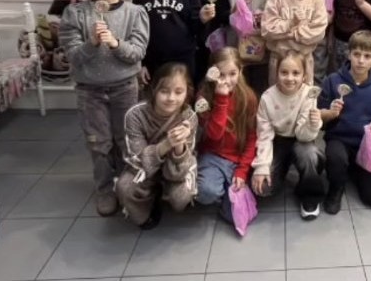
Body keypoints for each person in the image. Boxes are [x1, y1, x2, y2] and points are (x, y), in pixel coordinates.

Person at [59, 0, 149, 216]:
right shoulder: (75, 14)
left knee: (126, 139)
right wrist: (92, 43)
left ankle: (126, 185)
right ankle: (104, 189)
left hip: (125, 87)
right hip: (90, 91)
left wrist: (115, 43)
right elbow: (73, 57)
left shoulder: (135, 13)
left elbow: (137, 53)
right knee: (98, 143)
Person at [318, 30, 371, 213]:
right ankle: (336, 187)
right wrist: (331, 113)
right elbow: (320, 114)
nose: (361, 60)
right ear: (348, 54)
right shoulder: (332, 81)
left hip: (364, 143)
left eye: (367, 56)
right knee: (336, 157)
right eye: (356, 54)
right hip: (339, 139)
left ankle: (356, 168)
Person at [116, 63, 198, 229]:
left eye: (178, 92)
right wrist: (167, 144)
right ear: (154, 90)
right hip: (142, 168)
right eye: (164, 91)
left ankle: (163, 190)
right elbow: (137, 158)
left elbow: (182, 168)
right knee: (125, 187)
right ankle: (146, 209)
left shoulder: (189, 117)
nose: (171, 98)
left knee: (181, 197)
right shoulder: (135, 115)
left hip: (174, 167)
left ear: (187, 92)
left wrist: (179, 146)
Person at [251, 52, 325, 220]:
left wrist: (312, 124)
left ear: (304, 75)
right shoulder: (267, 98)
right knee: (263, 188)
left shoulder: (309, 94)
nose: (290, 78)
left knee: (310, 155)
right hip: (277, 141)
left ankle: (310, 194)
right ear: (276, 73)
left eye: (296, 73)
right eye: (284, 72)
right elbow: (264, 135)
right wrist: (262, 166)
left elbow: (303, 136)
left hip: (301, 139)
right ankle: (283, 169)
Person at [195, 48, 258, 223]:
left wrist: (242, 170)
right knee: (205, 192)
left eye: (232, 74)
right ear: (212, 73)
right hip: (212, 156)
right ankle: (222, 189)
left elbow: (252, 138)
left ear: (240, 71)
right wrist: (221, 99)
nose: (227, 80)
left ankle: (226, 189)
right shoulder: (203, 98)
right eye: (221, 75)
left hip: (236, 159)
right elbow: (214, 135)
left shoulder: (248, 98)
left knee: (236, 215)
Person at [261, 0, 329, 86]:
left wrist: (292, 34)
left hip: (304, 60)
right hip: (279, 60)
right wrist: (291, 23)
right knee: (278, 96)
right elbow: (267, 29)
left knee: (304, 96)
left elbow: (319, 32)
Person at [223, 0, 277, 95]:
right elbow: (220, 16)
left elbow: (276, 16)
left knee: (258, 92)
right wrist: (234, 11)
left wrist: (263, 18)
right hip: (235, 51)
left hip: (262, 53)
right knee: (235, 94)